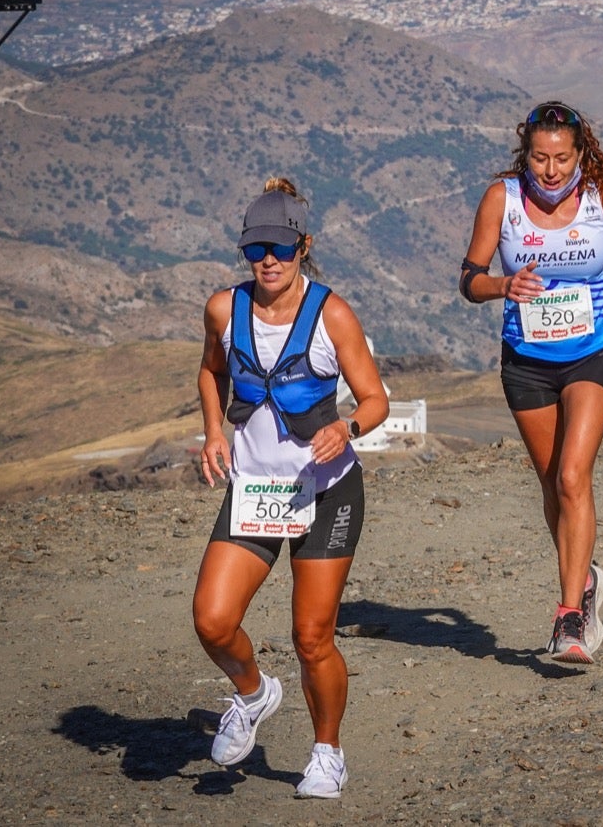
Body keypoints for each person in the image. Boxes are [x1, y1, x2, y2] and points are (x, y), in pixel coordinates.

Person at [193, 177, 389, 797]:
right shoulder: (224, 309)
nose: (268, 261)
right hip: (254, 490)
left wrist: (348, 426)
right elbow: (209, 370)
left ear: (304, 245)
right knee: (212, 621)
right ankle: (253, 694)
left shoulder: (331, 313)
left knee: (311, 637)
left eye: (280, 248)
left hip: (326, 493)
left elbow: (376, 399)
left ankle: (327, 752)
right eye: (256, 250)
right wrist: (212, 432)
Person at [458, 101, 603, 663]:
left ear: (580, 154)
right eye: (540, 158)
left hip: (595, 350)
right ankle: (585, 576)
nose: (551, 170)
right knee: (550, 487)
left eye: (562, 158)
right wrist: (502, 286)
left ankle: (570, 618)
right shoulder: (503, 199)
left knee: (571, 476)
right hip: (527, 360)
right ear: (526, 154)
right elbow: (469, 279)